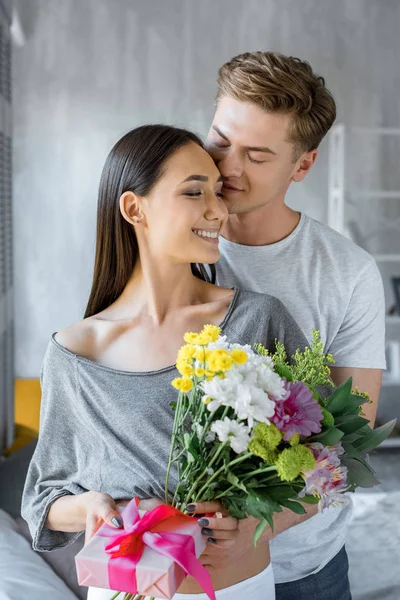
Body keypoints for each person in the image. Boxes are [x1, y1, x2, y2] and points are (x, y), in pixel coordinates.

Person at [21, 124, 312, 600]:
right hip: (125, 590)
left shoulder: (258, 321)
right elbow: (41, 500)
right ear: (135, 208)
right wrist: (93, 506)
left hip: (240, 589)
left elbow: (324, 470)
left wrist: (265, 524)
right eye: (195, 192)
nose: (218, 210)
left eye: (217, 192)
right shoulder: (75, 353)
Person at [195, 50, 385, 600]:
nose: (229, 167)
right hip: (186, 560)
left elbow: (352, 442)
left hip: (304, 568)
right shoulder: (168, 248)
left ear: (302, 166)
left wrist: (258, 529)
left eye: (257, 155)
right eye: (221, 140)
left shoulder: (347, 272)